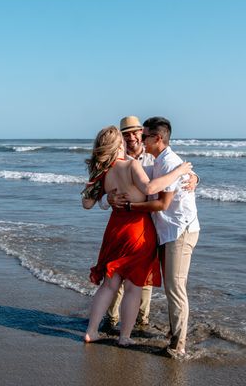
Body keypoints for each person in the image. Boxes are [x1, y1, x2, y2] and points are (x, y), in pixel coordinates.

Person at [81, 126, 192, 346]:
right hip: (137, 229)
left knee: (109, 285)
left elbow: (86, 203)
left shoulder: (103, 172)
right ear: (120, 144)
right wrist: (179, 172)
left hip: (115, 229)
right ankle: (124, 337)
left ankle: (91, 331)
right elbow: (150, 186)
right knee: (133, 287)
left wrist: (109, 197)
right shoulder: (132, 165)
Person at [121, 117, 200, 357]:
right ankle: (174, 333)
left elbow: (162, 202)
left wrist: (130, 209)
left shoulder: (168, 162)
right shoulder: (157, 160)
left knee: (175, 288)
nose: (141, 140)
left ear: (157, 138)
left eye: (144, 136)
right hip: (167, 231)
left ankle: (178, 345)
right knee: (170, 287)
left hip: (180, 230)